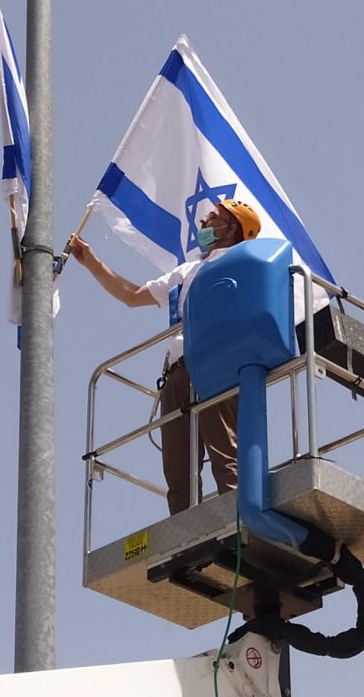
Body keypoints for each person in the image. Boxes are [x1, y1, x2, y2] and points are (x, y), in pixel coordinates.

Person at [70, 199, 261, 514]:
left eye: (214, 217)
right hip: (177, 373)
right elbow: (132, 296)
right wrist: (91, 261)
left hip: (216, 363)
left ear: (231, 229)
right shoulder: (188, 270)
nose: (204, 223)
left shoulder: (244, 261)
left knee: (225, 457)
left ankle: (239, 529)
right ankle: (186, 539)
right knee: (178, 468)